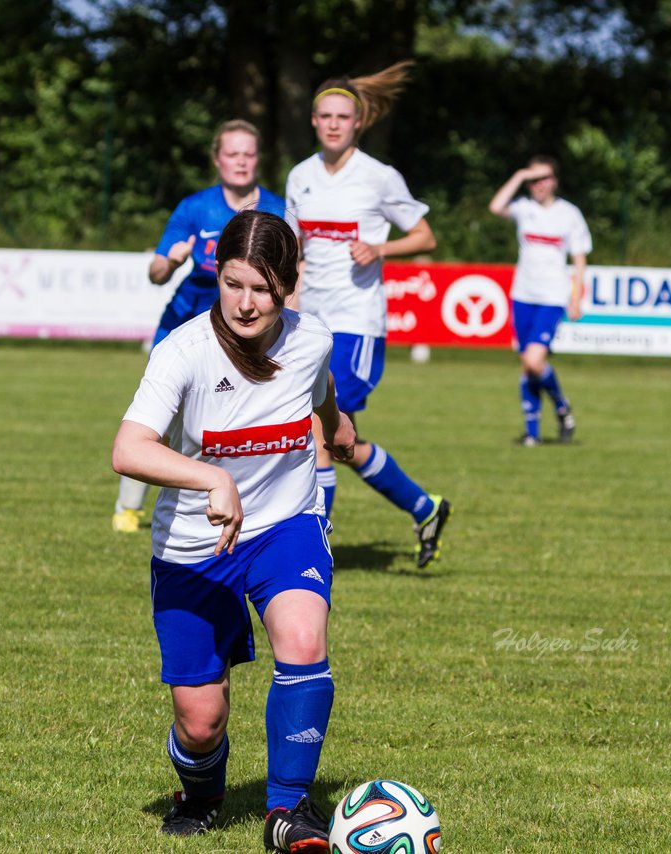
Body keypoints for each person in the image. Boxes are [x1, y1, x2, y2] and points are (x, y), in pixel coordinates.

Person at [112, 210, 356, 851]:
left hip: (285, 525)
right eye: (233, 283)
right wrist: (211, 479)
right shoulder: (183, 351)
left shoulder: (312, 338)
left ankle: (288, 812)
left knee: (303, 640)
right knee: (202, 721)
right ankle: (199, 791)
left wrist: (337, 423)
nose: (246, 304)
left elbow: (319, 390)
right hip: (195, 547)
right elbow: (129, 448)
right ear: (216, 275)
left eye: (262, 288)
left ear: (288, 284)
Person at [285, 61, 451, 569]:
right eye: (325, 116)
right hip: (310, 322)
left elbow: (426, 236)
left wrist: (380, 248)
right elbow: (295, 250)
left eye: (343, 116)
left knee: (314, 430)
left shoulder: (378, 177)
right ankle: (426, 508)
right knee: (339, 439)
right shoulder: (300, 177)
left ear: (358, 123)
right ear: (313, 121)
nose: (334, 123)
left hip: (357, 326)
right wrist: (287, 310)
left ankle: (313, 549)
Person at [114, 120, 288, 534]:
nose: (241, 162)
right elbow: (156, 272)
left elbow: (290, 275)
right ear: (217, 160)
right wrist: (170, 262)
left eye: (248, 154)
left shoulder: (279, 210)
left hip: (242, 336)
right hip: (182, 329)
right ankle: (128, 507)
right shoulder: (195, 208)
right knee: (158, 424)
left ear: (257, 160)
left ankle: (237, 504)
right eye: (232, 154)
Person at [487, 155, 592, 446]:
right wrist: (520, 175)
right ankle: (532, 434)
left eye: (544, 178)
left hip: (552, 296)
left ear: (555, 180)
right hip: (522, 295)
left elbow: (580, 259)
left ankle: (560, 404)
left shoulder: (569, 214)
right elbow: (495, 207)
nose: (539, 184)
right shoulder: (523, 209)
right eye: (534, 180)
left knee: (534, 361)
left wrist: (575, 298)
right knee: (527, 364)